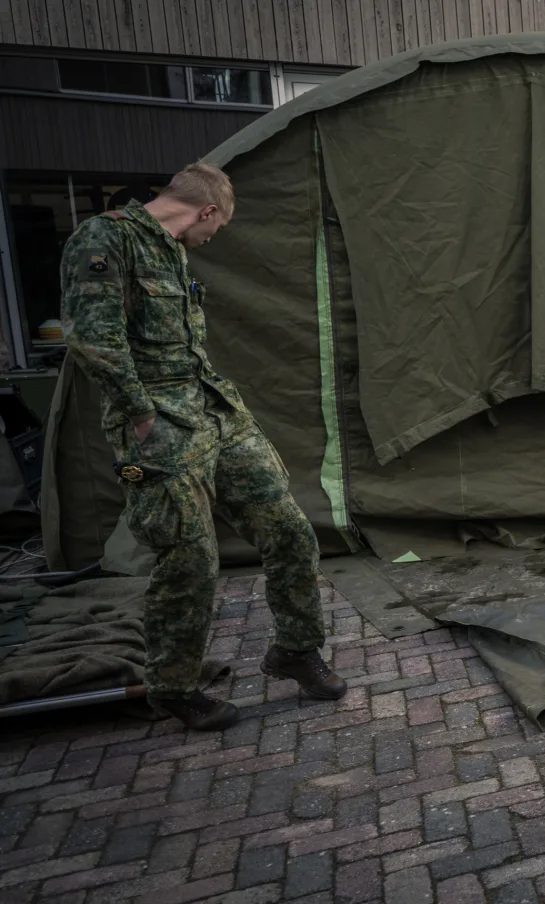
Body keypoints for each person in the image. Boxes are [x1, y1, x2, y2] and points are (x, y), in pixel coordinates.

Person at [60, 162, 345, 731]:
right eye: (218, 226)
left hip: (215, 409)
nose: (215, 237)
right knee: (189, 558)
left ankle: (295, 649)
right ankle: (173, 687)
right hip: (159, 424)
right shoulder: (105, 239)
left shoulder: (173, 248)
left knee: (288, 529)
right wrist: (141, 417)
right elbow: (94, 339)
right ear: (206, 210)